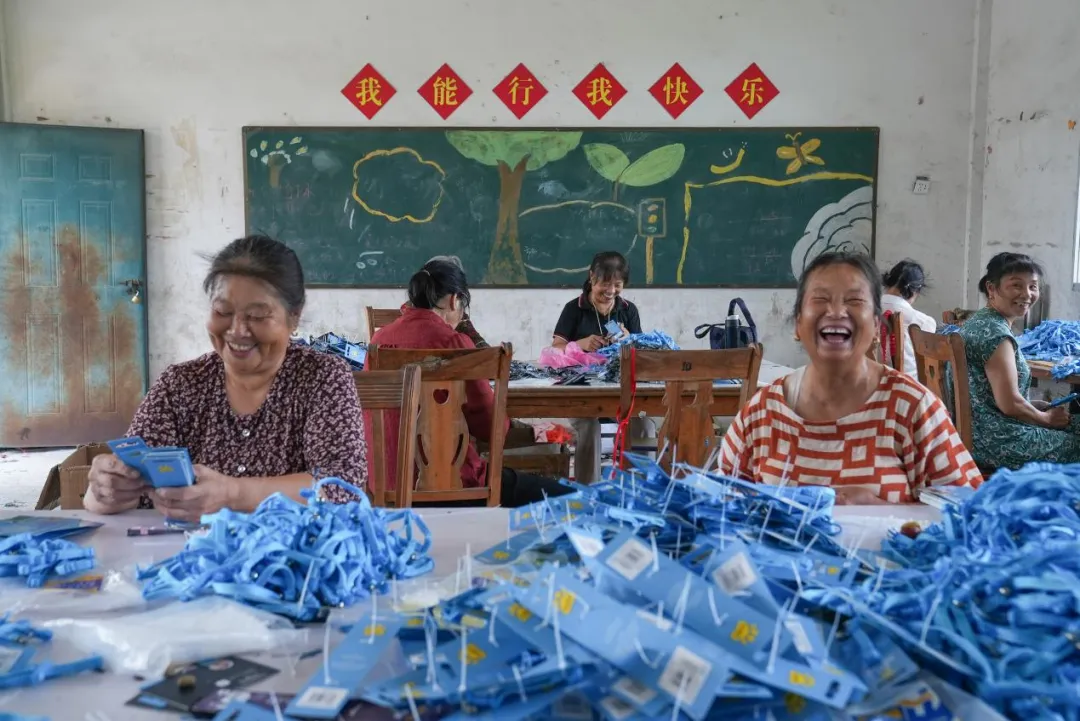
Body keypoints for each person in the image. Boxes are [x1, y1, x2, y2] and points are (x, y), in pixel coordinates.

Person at [84, 235, 367, 521]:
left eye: (257, 316)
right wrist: (107, 490)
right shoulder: (180, 385)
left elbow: (343, 488)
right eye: (223, 312)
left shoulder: (322, 378)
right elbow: (110, 493)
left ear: (294, 316)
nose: (237, 331)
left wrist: (233, 494)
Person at [719, 251, 981, 504]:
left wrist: (883, 512)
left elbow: (974, 514)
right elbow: (720, 507)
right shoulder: (763, 412)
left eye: (855, 300)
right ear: (798, 324)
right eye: (820, 299)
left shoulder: (913, 408)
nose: (836, 311)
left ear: (876, 326)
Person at [370, 258, 571, 507]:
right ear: (454, 300)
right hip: (455, 486)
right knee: (569, 496)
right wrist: (527, 430)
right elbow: (491, 427)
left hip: (386, 489)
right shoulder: (455, 343)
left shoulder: (378, 341)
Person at [959, 252, 1080, 468]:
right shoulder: (996, 335)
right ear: (991, 288)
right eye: (1016, 285)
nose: (1027, 294)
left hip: (978, 433)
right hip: (998, 441)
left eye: (1033, 286)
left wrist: (1032, 406)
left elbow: (986, 395)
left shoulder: (978, 322)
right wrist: (1045, 419)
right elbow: (1010, 404)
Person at [551, 251, 653, 484]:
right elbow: (555, 349)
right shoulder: (574, 308)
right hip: (581, 392)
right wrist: (580, 344)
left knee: (644, 425)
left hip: (620, 389)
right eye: (605, 284)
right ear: (591, 278)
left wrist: (629, 340)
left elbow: (642, 354)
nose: (611, 291)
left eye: (617, 285)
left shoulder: (627, 310)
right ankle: (588, 489)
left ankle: (641, 488)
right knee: (588, 426)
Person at [881, 259, 936, 376]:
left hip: (867, 382)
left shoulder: (866, 311)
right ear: (915, 291)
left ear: (888, 282)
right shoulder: (923, 322)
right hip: (908, 385)